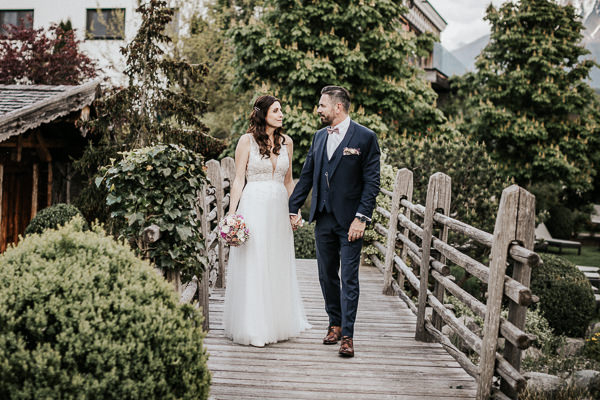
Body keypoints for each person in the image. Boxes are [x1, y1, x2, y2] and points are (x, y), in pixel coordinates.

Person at [288, 86, 380, 357]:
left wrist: (361, 218)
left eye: (322, 105)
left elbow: (371, 183)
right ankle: (335, 323)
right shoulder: (318, 137)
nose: (318, 110)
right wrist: (292, 208)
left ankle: (348, 336)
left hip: (352, 222)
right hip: (324, 219)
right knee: (326, 275)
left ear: (338, 107)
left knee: (349, 278)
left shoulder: (365, 137)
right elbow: (306, 177)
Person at [223, 95, 311, 347]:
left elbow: (288, 181)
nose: (281, 114)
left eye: (281, 110)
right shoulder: (246, 141)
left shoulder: (287, 142)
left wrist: (295, 211)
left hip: (278, 207)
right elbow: (239, 179)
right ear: (262, 113)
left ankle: (278, 322)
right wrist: (232, 213)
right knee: (256, 262)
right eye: (276, 110)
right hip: (254, 206)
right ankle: (254, 325)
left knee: (276, 261)